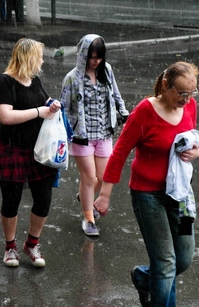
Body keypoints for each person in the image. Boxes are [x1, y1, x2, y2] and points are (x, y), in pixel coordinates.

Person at [94, 61, 199, 307]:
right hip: (148, 195)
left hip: (180, 195)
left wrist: (195, 152)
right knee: (166, 263)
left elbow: (191, 139)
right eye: (181, 93)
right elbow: (119, 152)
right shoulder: (144, 111)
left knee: (184, 258)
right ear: (166, 86)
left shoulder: (189, 106)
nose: (186, 100)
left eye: (192, 93)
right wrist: (105, 195)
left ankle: (144, 277)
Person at [0, 38, 61, 268]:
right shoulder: (4, 82)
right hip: (12, 150)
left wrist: (53, 105)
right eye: (40, 56)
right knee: (11, 201)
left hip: (39, 152)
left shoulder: (34, 81)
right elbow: (6, 116)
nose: (43, 60)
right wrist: (40, 111)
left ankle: (32, 244)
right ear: (28, 57)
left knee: (44, 200)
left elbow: (46, 101)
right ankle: (10, 248)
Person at [59, 34, 129, 237]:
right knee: (89, 178)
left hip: (104, 132)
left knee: (103, 177)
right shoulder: (72, 78)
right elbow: (63, 108)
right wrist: (64, 132)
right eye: (92, 56)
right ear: (83, 55)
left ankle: (84, 196)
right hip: (82, 136)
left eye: (99, 56)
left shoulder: (106, 71)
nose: (96, 61)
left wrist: (123, 113)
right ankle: (88, 218)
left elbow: (116, 95)